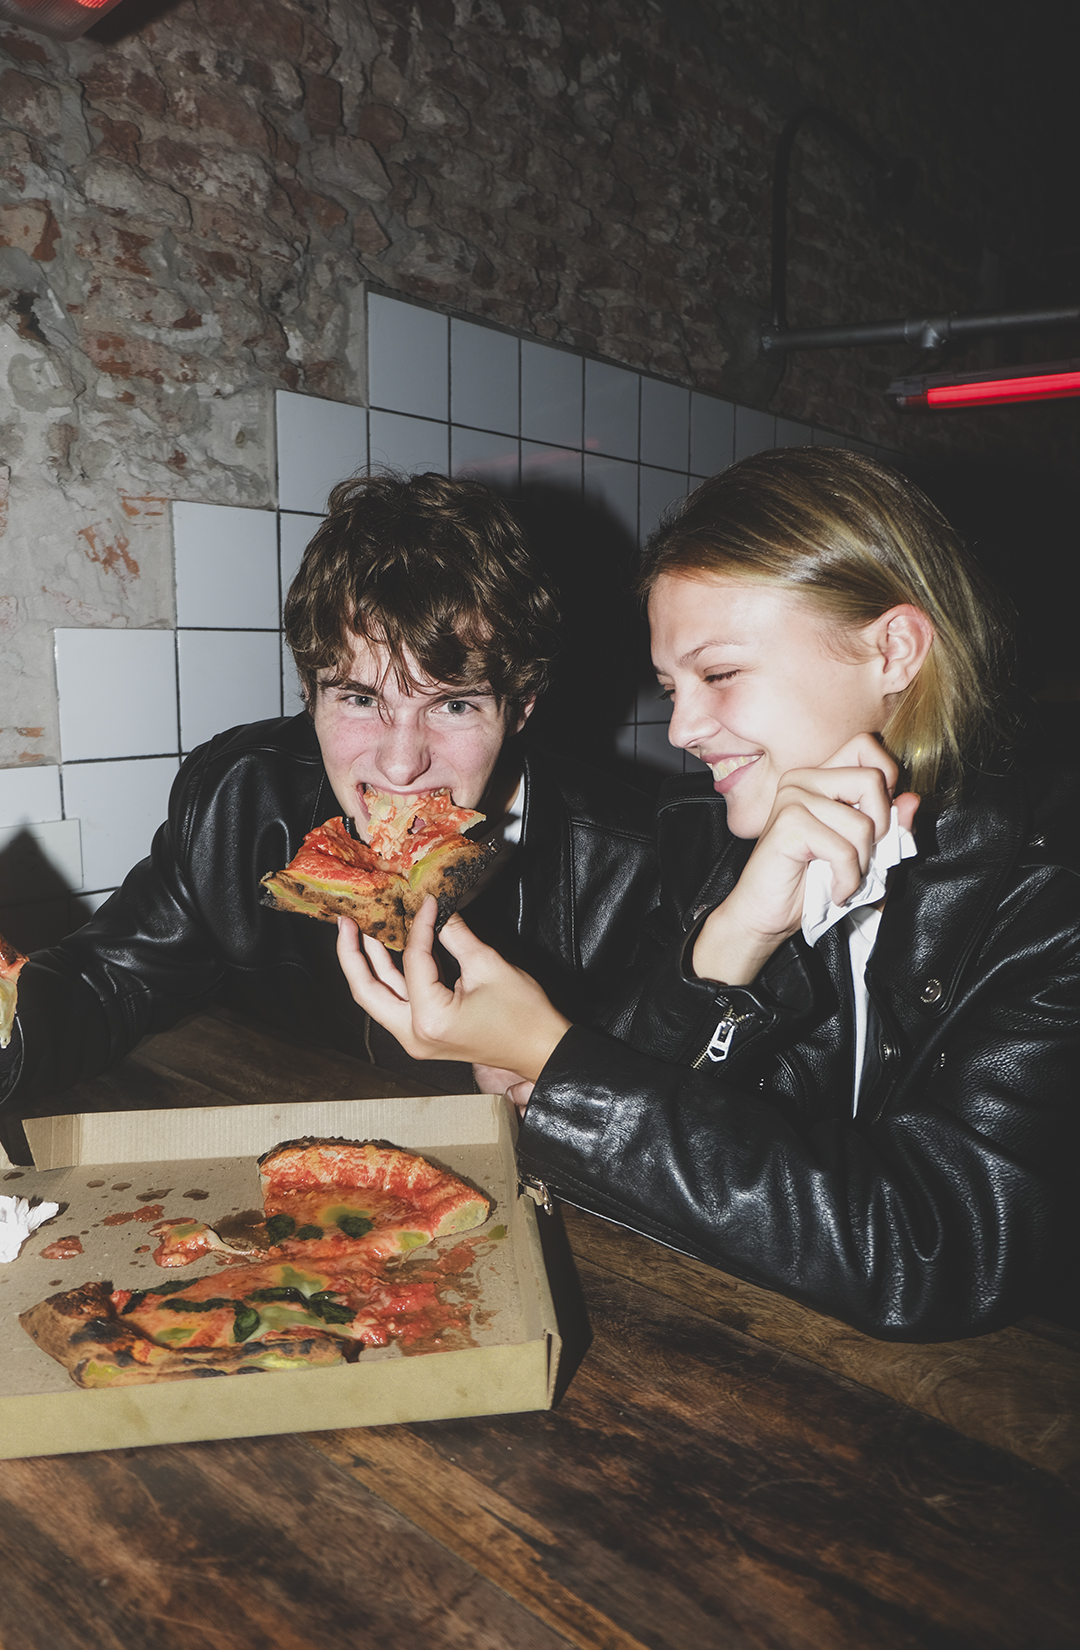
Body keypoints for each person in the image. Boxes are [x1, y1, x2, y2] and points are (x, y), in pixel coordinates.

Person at [337, 448, 1080, 1342]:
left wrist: (549, 1052)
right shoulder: (718, 848)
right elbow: (597, 1161)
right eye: (670, 688)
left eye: (719, 675)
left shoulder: (1050, 899)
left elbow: (938, 1255)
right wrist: (733, 939)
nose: (683, 729)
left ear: (892, 651)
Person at [0, 472, 658, 1143]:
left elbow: (672, 1124)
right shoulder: (240, 798)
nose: (400, 765)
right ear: (310, 696)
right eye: (361, 699)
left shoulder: (638, 869)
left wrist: (563, 1099)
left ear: (519, 709)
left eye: (453, 705)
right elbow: (106, 986)